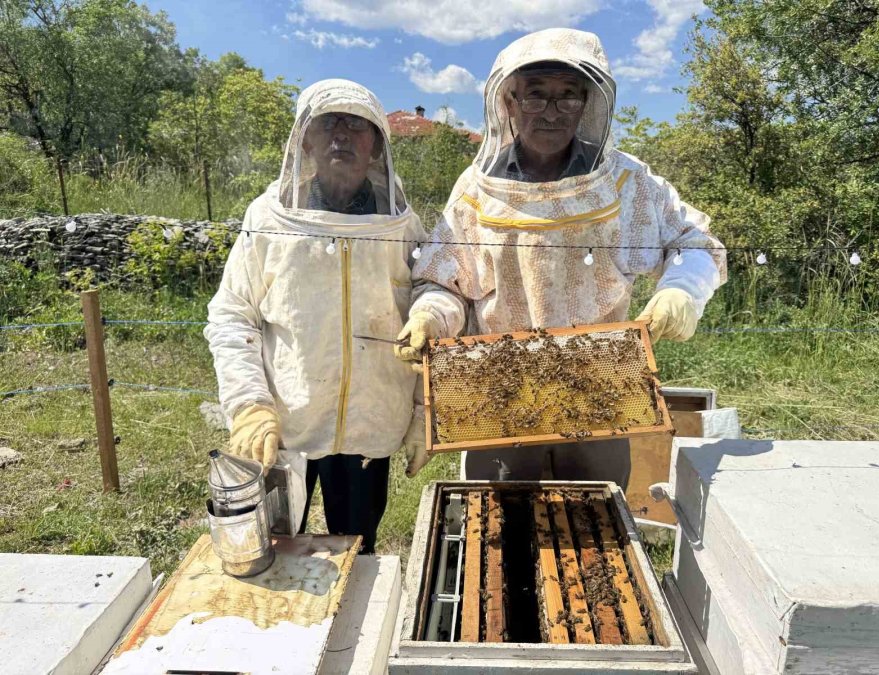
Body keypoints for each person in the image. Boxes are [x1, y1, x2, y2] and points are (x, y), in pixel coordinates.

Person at [395, 28, 727, 486]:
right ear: (509, 103)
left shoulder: (627, 182)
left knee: (596, 521)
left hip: (604, 389)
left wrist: (681, 292)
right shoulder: (475, 190)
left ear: (587, 104)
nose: (551, 112)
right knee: (500, 524)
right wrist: (430, 315)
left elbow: (697, 244)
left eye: (567, 96)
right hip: (499, 391)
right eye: (536, 96)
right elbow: (445, 282)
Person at [205, 79, 427, 554]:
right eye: (328, 123)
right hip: (287, 427)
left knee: (358, 549)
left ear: (376, 145)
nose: (341, 136)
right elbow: (232, 316)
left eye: (356, 126)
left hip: (372, 426)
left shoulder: (403, 226)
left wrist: (425, 410)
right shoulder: (267, 218)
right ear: (305, 138)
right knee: (278, 551)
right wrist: (249, 406)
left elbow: (431, 315)